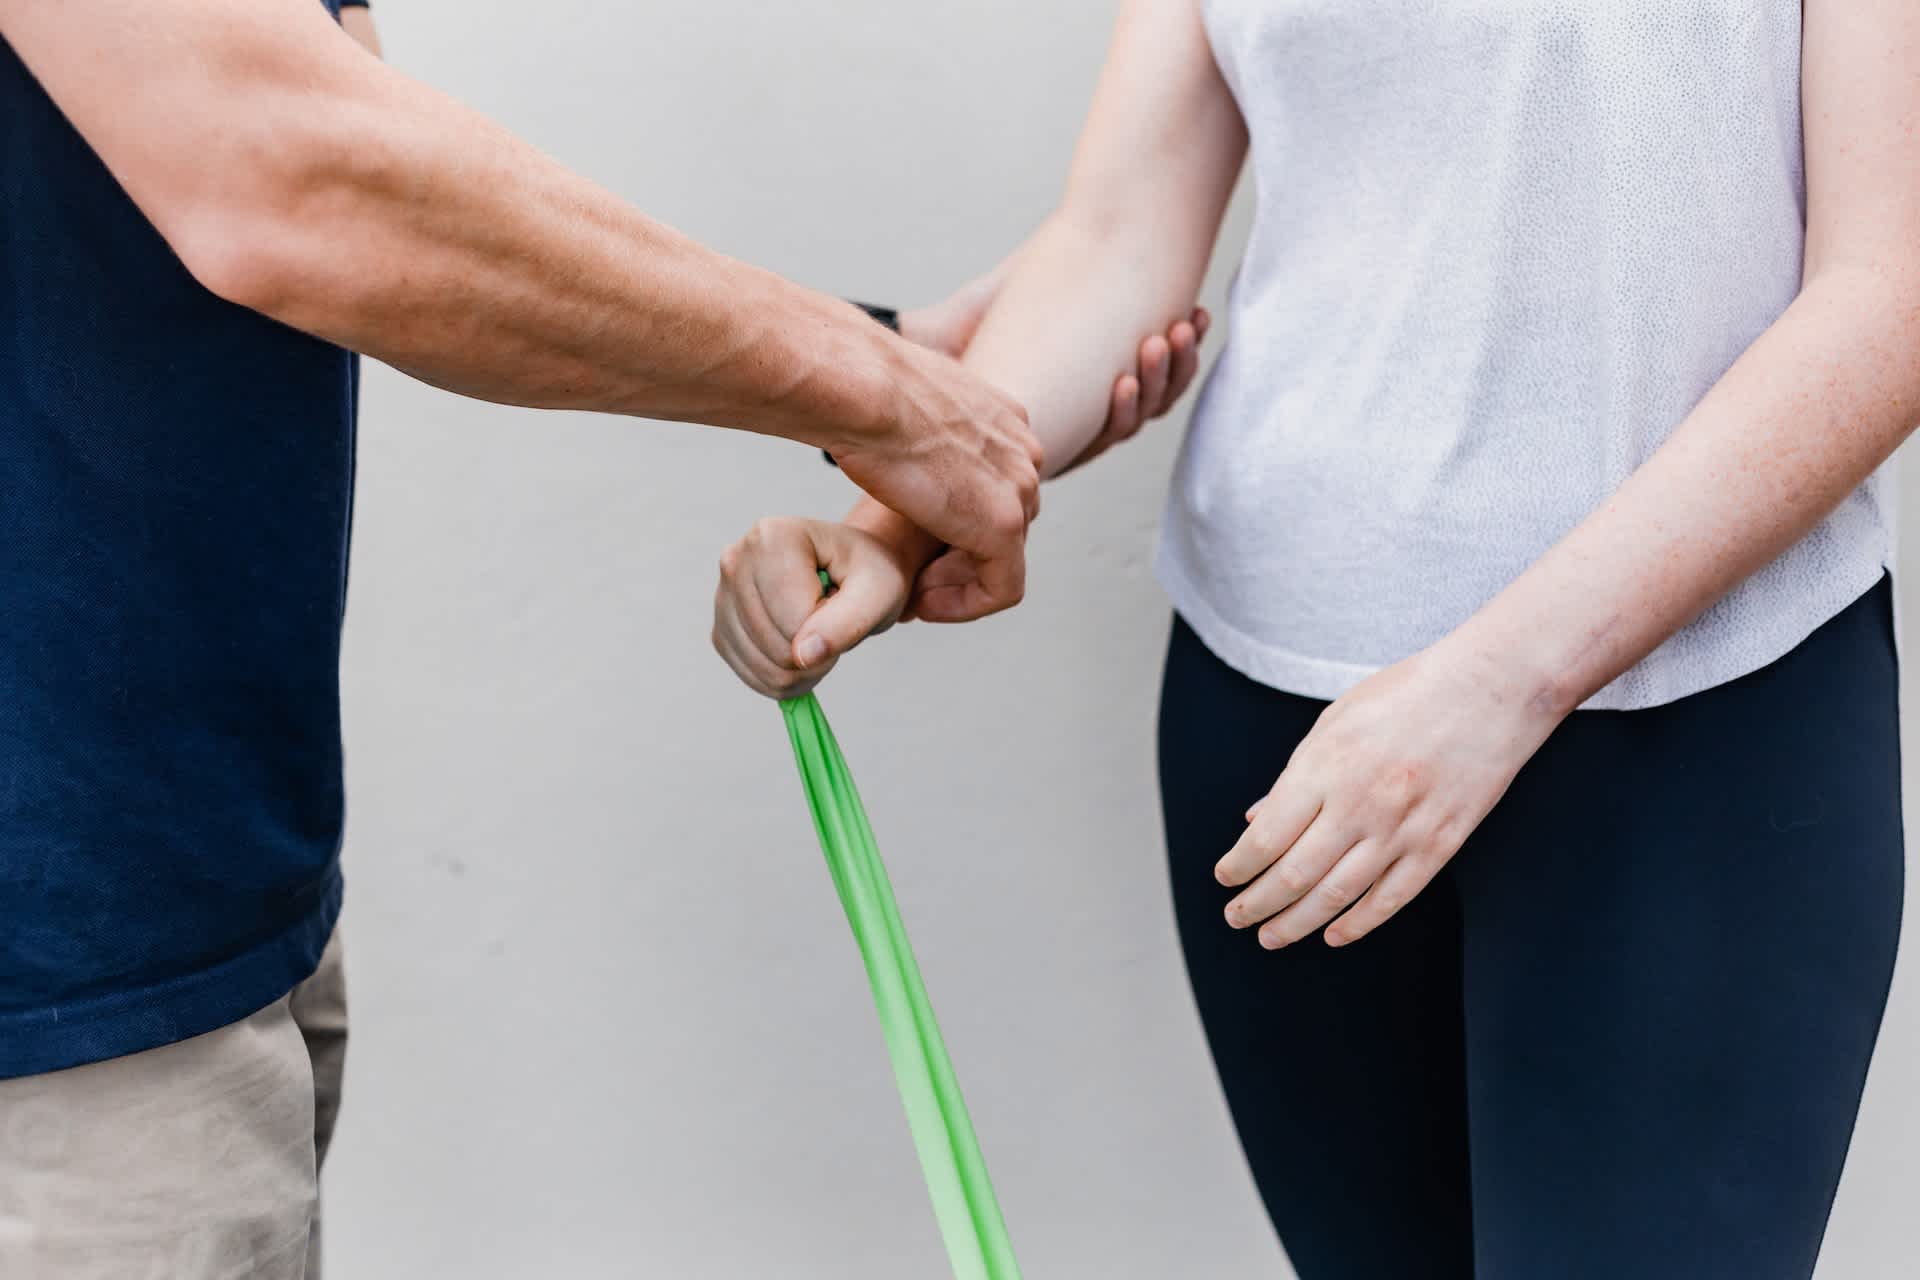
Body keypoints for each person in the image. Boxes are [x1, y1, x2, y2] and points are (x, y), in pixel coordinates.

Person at [711, 1, 1920, 1276]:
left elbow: (1888, 291)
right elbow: (1121, 234)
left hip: (1699, 721)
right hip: (1283, 733)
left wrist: (1501, 678)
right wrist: (893, 526)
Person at [0, 0, 1202, 1275]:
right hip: (56, 1006)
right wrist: (880, 393)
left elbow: (365, 155)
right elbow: (287, 172)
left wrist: (891, 362)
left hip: (189, 896)